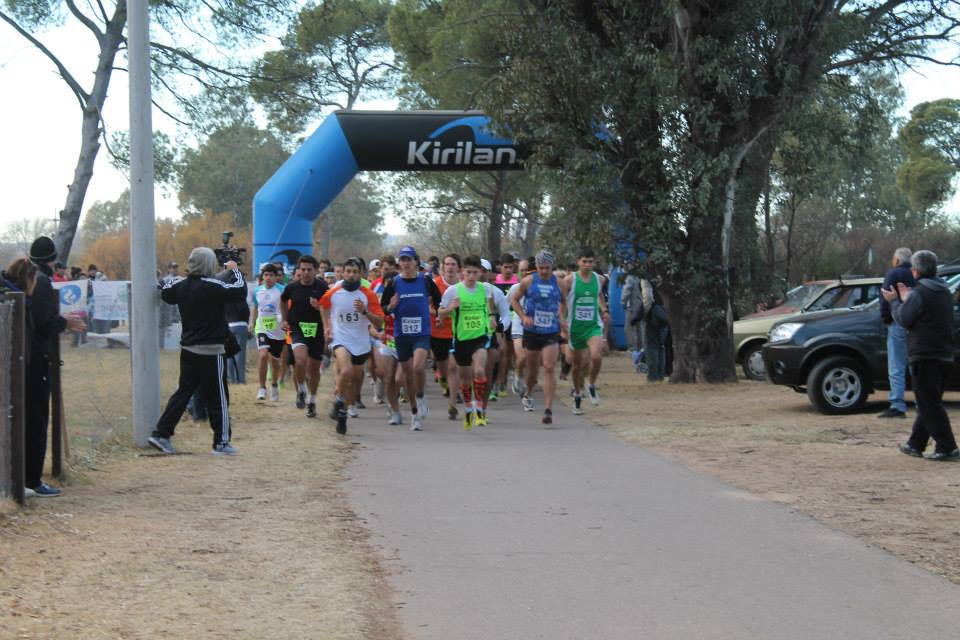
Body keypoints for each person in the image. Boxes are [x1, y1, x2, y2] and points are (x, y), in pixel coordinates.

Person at [149, 248, 246, 456]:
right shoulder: (213, 286)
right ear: (209, 264)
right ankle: (221, 442)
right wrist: (235, 270)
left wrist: (166, 282)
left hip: (188, 350)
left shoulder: (181, 286)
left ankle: (161, 433)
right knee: (218, 397)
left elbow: (166, 291)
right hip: (212, 351)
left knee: (183, 393)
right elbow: (239, 292)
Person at [883, 250, 959, 461]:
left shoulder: (919, 293)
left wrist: (894, 301)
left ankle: (947, 446)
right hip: (945, 353)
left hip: (924, 353)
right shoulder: (945, 291)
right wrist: (907, 299)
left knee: (928, 403)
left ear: (915, 271)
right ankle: (915, 444)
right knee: (929, 400)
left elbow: (903, 320)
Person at [319, 257, 384, 435]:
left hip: (360, 342)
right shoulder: (335, 291)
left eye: (355, 272)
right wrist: (326, 327)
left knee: (356, 381)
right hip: (340, 338)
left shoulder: (367, 294)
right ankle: (339, 400)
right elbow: (323, 306)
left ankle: (343, 412)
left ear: (361, 274)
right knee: (346, 370)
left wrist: (365, 312)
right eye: (348, 271)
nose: (351, 275)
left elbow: (379, 321)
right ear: (343, 273)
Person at [381, 246, 443, 431]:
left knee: (418, 367)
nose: (406, 263)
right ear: (399, 263)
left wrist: (438, 315)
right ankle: (415, 414)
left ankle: (421, 395)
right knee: (408, 377)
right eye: (403, 260)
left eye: (409, 259)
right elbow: (383, 308)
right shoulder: (394, 283)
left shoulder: (426, 281)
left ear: (416, 261)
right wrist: (391, 307)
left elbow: (438, 300)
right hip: (401, 335)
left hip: (422, 332)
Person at [438, 255, 497, 430]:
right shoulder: (453, 291)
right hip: (461, 340)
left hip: (480, 337)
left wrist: (492, 317)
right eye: (468, 272)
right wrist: (450, 308)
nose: (471, 276)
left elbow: (489, 307)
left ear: (480, 273)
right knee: (465, 380)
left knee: (479, 370)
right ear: (462, 272)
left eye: (475, 272)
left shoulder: (485, 289)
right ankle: (469, 408)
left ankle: (479, 409)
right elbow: (440, 314)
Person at [511, 249, 569, 425]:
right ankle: (528, 392)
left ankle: (548, 410)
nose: (544, 271)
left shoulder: (559, 283)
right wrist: (523, 317)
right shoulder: (528, 281)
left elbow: (563, 301)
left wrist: (561, 317)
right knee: (533, 371)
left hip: (551, 330)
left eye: (547, 268)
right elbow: (514, 300)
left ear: (552, 267)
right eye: (541, 268)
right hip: (532, 331)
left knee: (549, 367)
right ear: (536, 267)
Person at [281, 255, 329, 418]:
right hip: (297, 328)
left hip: (316, 330)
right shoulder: (292, 287)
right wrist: (284, 319)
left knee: (314, 370)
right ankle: (301, 390)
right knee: (300, 360)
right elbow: (283, 300)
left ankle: (312, 401)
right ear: (299, 270)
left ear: (315, 270)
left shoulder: (322, 287)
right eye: (303, 269)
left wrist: (319, 307)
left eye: (309, 269)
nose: (306, 273)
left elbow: (329, 307)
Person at [564, 248, 609, 414]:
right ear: (578, 262)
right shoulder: (570, 280)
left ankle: (591, 384)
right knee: (577, 365)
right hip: (575, 327)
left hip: (592, 325)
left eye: (590, 262)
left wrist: (604, 310)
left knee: (596, 356)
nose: (588, 264)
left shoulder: (600, 279)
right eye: (584, 261)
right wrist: (561, 322)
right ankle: (577, 394)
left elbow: (599, 295)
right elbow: (561, 302)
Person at [878, 247, 915, 419]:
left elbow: (884, 298)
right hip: (915, 325)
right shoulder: (916, 274)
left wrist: (886, 319)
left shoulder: (893, 274)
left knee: (896, 365)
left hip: (897, 322)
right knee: (916, 365)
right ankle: (922, 402)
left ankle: (897, 404)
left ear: (897, 260)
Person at [432, 254, 463, 421]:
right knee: (442, 365)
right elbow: (429, 307)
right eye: (447, 264)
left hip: (457, 331)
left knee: (453, 366)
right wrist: (441, 315)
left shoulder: (463, 285)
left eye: (453, 264)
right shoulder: (435, 284)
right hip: (438, 330)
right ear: (442, 267)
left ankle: (454, 397)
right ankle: (444, 380)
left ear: (458, 267)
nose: (450, 267)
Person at [250, 263, 285, 401]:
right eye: (266, 275)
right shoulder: (258, 291)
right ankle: (262, 388)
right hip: (262, 327)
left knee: (275, 361)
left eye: (271, 275)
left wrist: (284, 319)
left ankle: (274, 385)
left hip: (277, 330)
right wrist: (252, 323)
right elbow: (255, 307)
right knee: (264, 355)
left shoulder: (282, 290)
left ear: (276, 277)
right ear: (262, 277)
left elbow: (288, 307)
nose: (268, 278)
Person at [221, 260, 250, 385]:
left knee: (229, 353)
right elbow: (244, 310)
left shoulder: (224, 292)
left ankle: (231, 378)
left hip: (227, 324)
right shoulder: (238, 294)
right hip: (240, 324)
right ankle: (240, 379)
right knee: (240, 354)